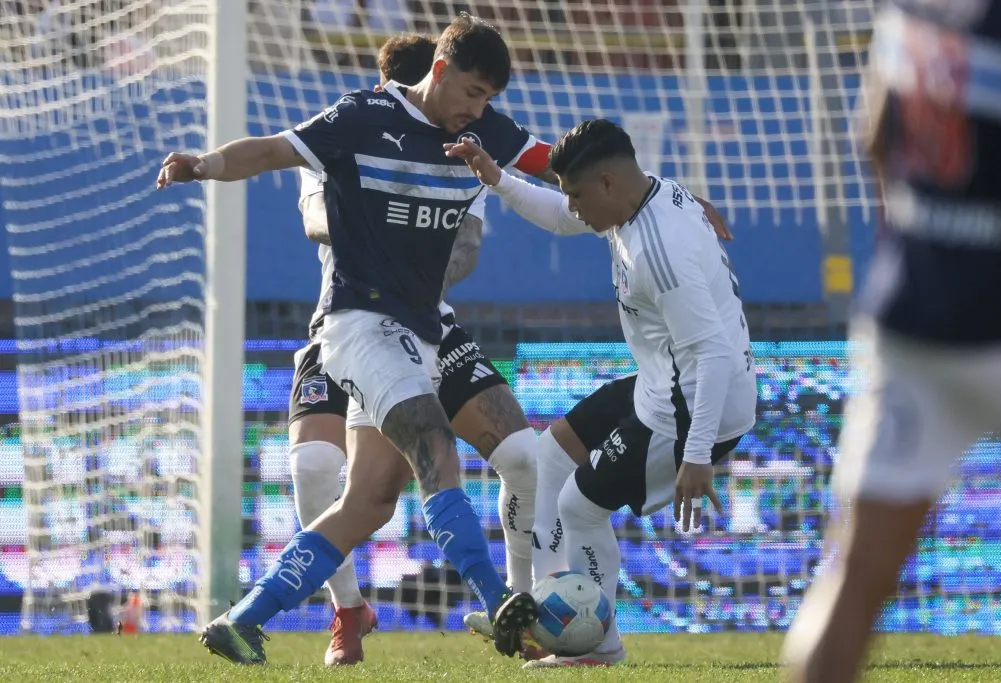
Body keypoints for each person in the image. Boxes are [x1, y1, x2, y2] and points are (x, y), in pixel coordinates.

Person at [157, 13, 543, 663]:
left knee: (368, 501)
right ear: (440, 70)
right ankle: (499, 596)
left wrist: (645, 195)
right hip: (358, 326)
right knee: (433, 446)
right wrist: (205, 163)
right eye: (473, 92)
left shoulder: (481, 133)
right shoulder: (361, 117)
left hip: (420, 333)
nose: (478, 109)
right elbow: (273, 150)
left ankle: (243, 619)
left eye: (488, 99)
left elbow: (552, 162)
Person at [444, 119, 757, 667]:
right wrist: (498, 179)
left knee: (580, 508)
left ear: (608, 182)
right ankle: (540, 612)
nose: (573, 208)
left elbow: (713, 355)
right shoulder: (639, 197)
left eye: (577, 195)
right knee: (549, 456)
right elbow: (560, 216)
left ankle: (597, 645)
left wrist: (697, 453)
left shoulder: (658, 251)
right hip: (664, 381)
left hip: (692, 406)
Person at [780, 2, 1001, 681]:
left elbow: (874, 132)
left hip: (912, 321)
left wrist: (922, 249)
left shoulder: (912, 9)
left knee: (854, 578)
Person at [289, 33, 538, 666]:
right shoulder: (344, 130)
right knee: (314, 468)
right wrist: (379, 227)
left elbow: (467, 248)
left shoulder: (461, 146)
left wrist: (411, 282)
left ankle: (520, 603)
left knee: (522, 456)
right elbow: (315, 220)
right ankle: (348, 608)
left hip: (427, 326)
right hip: (343, 322)